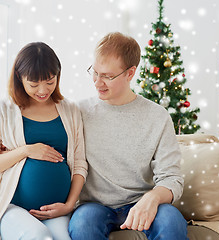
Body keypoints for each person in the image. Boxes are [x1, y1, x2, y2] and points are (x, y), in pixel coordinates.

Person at [0, 42, 88, 240]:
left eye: (50, 81)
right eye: (34, 84)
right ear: (19, 77)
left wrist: (69, 206)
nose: (43, 90)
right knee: (38, 236)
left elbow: (79, 163)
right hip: (13, 208)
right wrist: (25, 151)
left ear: (58, 75)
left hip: (56, 211)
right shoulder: (3, 110)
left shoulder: (70, 110)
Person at [68, 32, 188, 239]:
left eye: (108, 76)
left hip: (142, 202)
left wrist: (152, 198)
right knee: (82, 226)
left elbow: (172, 178)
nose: (98, 82)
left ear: (130, 73)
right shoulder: (78, 112)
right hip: (94, 207)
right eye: (94, 73)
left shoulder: (157, 117)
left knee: (172, 222)